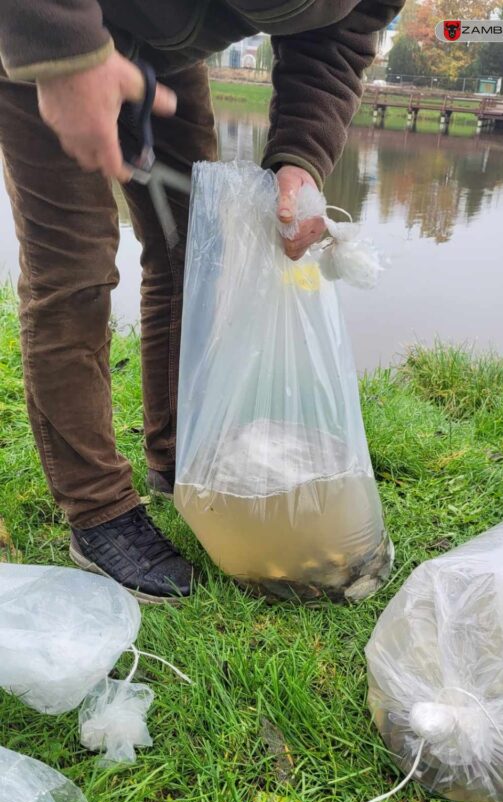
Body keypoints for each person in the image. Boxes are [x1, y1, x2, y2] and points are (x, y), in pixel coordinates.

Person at [0, 0, 401, 603]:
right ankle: (98, 509)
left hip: (165, 54)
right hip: (52, 24)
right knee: (73, 275)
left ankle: (177, 452)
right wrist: (62, 53)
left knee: (197, 248)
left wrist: (301, 156)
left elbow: (340, 36)